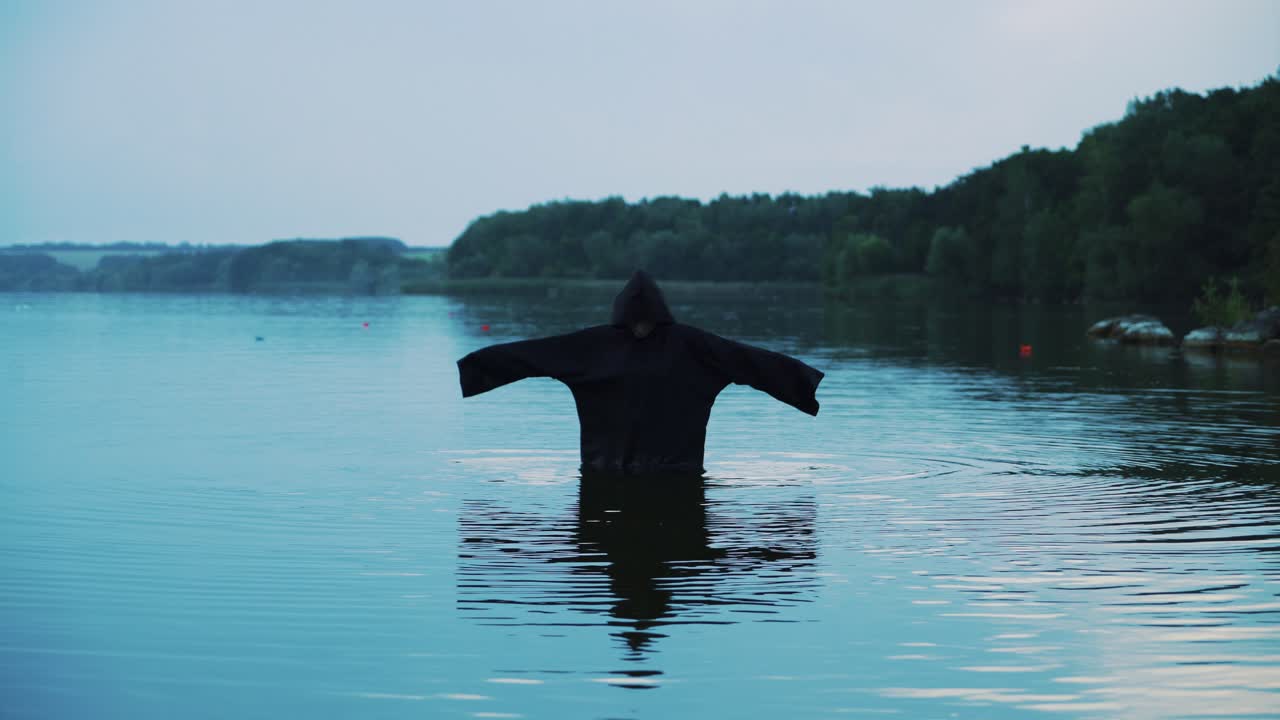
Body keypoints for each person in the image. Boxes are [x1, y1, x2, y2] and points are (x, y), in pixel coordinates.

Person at [456, 270, 823, 475]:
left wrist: (801, 386)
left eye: (646, 321)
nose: (641, 328)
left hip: (673, 470)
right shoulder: (594, 346)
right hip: (608, 468)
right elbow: (531, 355)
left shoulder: (692, 346)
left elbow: (750, 362)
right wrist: (478, 368)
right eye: (635, 321)